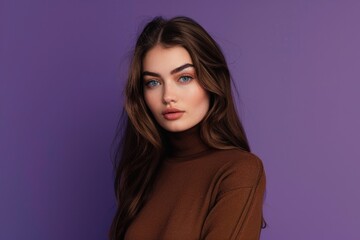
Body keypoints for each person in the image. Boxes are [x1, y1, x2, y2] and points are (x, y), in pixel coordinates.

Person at [109, 16, 266, 240]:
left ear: (212, 81)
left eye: (184, 78)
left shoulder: (239, 170)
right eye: (153, 82)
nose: (168, 97)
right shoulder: (145, 171)